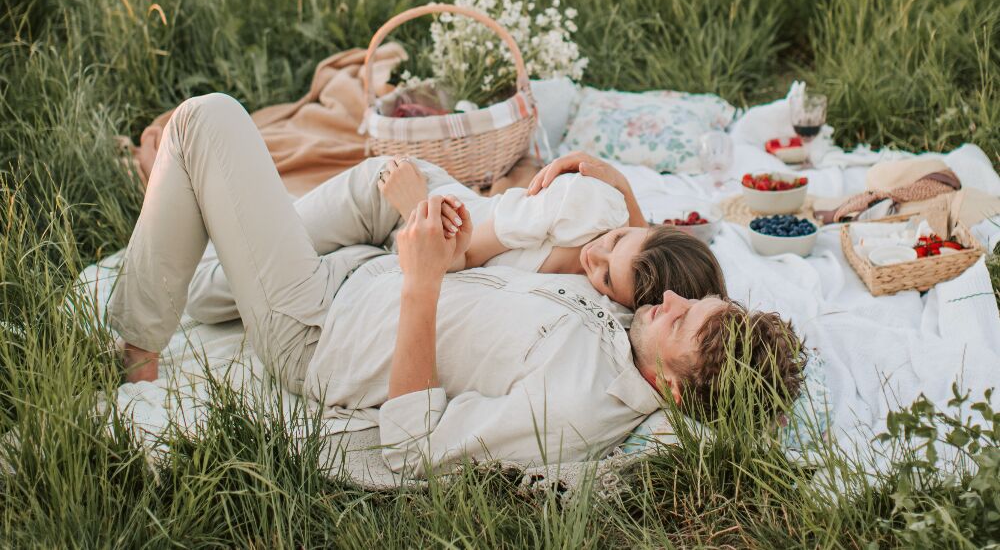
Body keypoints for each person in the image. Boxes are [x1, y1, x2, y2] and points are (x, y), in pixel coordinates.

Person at [111, 93, 804, 477]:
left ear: (675, 390)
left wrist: (422, 283)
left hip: (317, 330)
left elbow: (413, 448)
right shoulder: (631, 333)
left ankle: (136, 346)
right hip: (361, 268)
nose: (669, 303)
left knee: (205, 121)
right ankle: (204, 270)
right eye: (693, 300)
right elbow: (651, 253)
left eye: (682, 321)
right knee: (213, 275)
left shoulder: (574, 406)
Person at [372, 153, 726, 309]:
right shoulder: (578, 207)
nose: (593, 255)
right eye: (616, 239)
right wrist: (415, 203)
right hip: (410, 199)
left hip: (411, 244)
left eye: (606, 277)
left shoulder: (620, 303)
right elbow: (461, 256)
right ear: (644, 226)